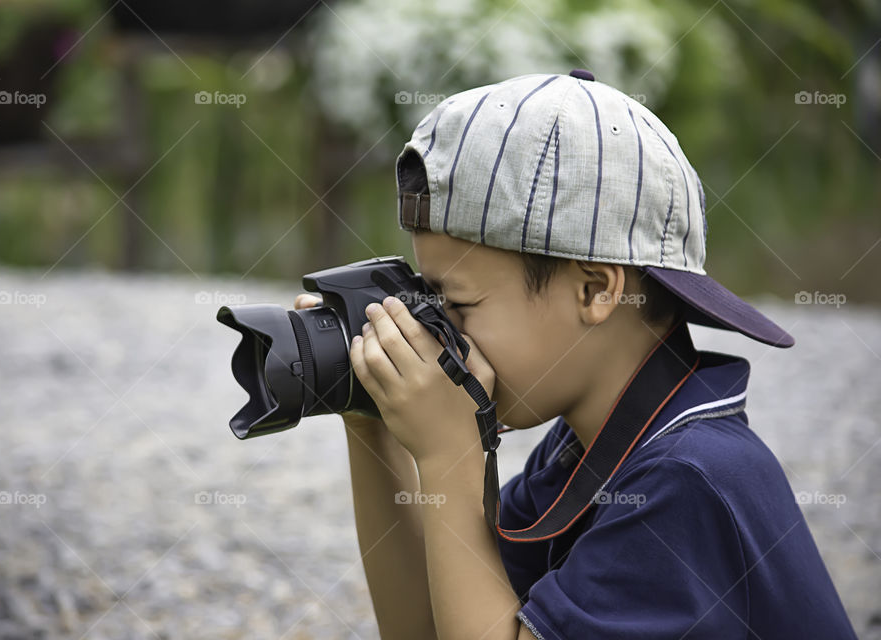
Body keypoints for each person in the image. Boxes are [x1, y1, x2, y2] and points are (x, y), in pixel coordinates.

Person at [295, 71, 856, 639]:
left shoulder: (686, 480)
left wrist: (449, 456)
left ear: (595, 290)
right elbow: (425, 630)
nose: (440, 334)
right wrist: (368, 419)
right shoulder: (582, 451)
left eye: (456, 303)